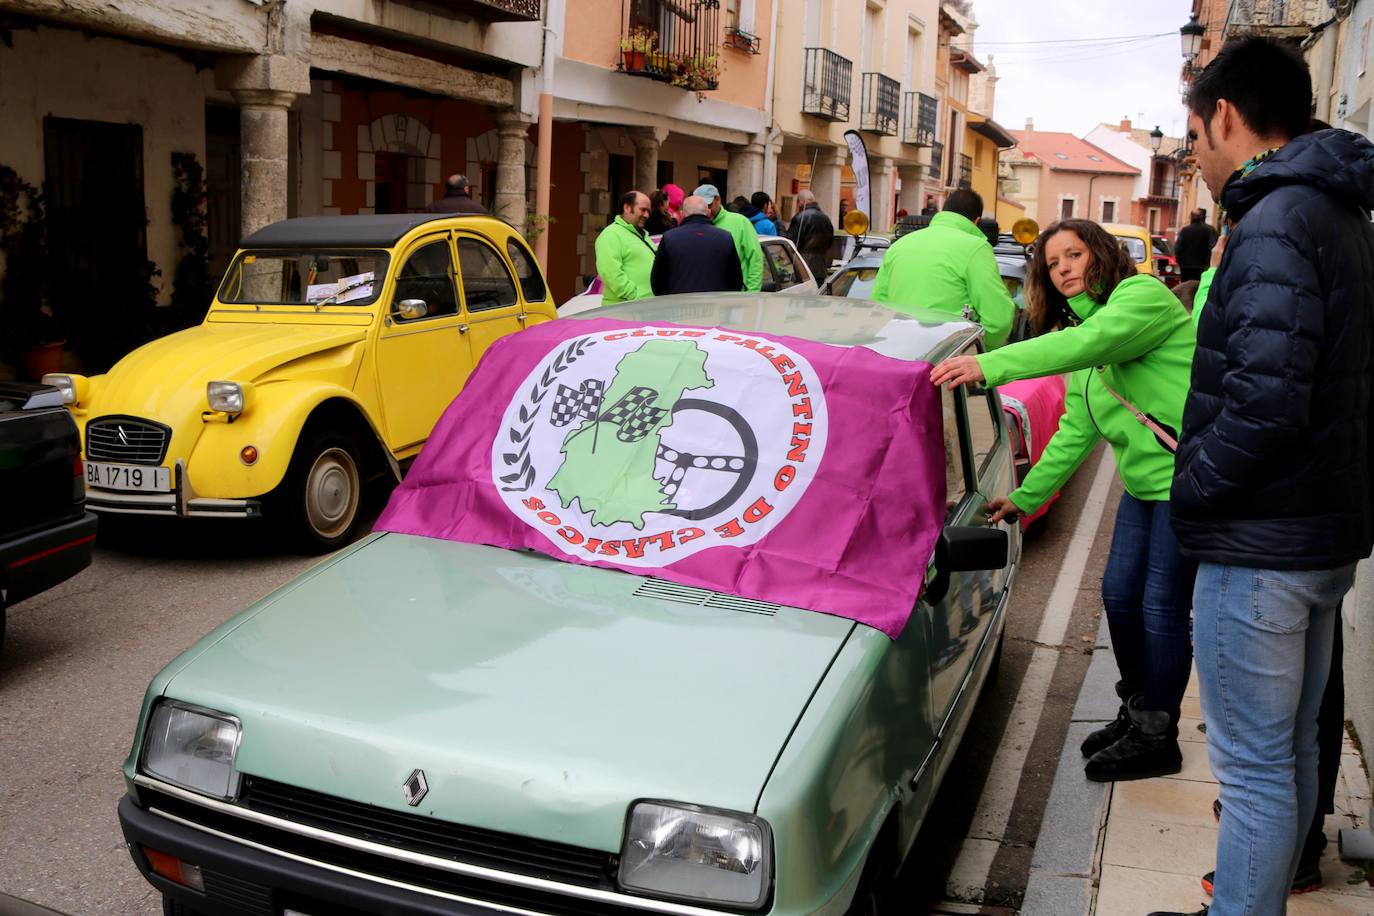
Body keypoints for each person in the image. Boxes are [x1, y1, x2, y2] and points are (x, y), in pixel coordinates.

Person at [1155, 37, 1374, 916]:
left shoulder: (1279, 217)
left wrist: (1193, 483)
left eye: (1196, 135)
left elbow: (1266, 404)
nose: (1196, 157)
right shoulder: (1335, 210)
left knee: (1252, 772)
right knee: (1289, 758)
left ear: (1229, 118)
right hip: (1317, 535)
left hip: (1263, 549)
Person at [930, 219, 1197, 784]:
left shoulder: (1140, 297)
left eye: (1074, 255)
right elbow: (1077, 429)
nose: (1065, 269)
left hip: (1184, 483)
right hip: (1143, 488)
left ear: (1100, 254)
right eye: (1053, 264)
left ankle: (1159, 734)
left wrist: (990, 365)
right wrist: (1025, 498)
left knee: (1160, 607)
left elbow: (1087, 344)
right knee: (1119, 597)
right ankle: (1139, 709)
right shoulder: (1088, 330)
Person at [869, 188, 1016, 348]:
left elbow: (878, 306)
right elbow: (999, 319)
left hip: (898, 353)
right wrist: (982, 353)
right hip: (946, 359)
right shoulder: (976, 248)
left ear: (943, 212)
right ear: (976, 221)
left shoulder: (899, 245)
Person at [650, 195, 742, 295]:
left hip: (678, 305)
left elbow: (657, 281)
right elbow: (736, 280)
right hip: (716, 305)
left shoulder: (669, 238)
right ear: (708, 213)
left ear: (682, 214)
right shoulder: (725, 238)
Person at [693, 184, 764, 292]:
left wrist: (751, 293)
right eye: (702, 207)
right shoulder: (693, 227)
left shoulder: (740, 222)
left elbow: (756, 260)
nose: (706, 210)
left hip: (736, 299)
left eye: (709, 205)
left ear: (718, 199)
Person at [594, 190, 657, 305]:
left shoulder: (643, 235)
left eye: (648, 211)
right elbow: (611, 272)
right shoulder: (611, 234)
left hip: (643, 307)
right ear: (627, 208)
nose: (646, 215)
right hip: (625, 310)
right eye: (643, 210)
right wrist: (634, 296)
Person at [786, 189, 835, 282]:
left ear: (801, 202)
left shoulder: (799, 217)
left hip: (802, 268)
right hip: (821, 266)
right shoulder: (826, 218)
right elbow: (830, 243)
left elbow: (791, 244)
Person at [1172, 208, 1217, 282]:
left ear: (1191, 217)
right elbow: (1211, 247)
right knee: (1197, 286)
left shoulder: (1185, 230)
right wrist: (1207, 262)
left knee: (1186, 286)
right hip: (1201, 266)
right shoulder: (1208, 230)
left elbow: (1177, 247)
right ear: (1202, 217)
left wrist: (1179, 261)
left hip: (1185, 266)